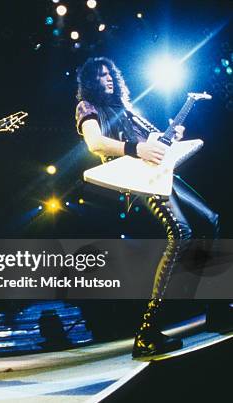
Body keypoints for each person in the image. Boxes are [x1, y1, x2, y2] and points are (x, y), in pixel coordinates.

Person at [75, 57, 220, 357]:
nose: (108, 79)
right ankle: (147, 331)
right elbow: (95, 143)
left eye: (110, 73)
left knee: (211, 220)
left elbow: (155, 140)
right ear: (90, 82)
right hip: (137, 176)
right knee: (180, 232)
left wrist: (171, 136)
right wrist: (135, 148)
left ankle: (218, 308)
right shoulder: (87, 108)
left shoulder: (127, 110)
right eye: (101, 76)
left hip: (160, 171)